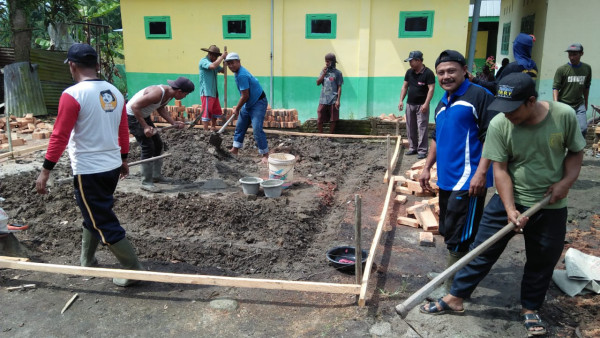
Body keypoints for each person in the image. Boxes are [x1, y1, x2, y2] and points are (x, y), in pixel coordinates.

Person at [420, 73, 585, 337]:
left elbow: (576, 151)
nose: (507, 115)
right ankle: (456, 296)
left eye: (513, 109)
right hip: (508, 197)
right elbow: (501, 171)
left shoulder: (563, 115)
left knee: (542, 259)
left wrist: (566, 182)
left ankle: (530, 308)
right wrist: (510, 209)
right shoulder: (500, 124)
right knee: (482, 250)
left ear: (531, 101)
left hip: (550, 204)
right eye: (503, 109)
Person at [35, 43, 145, 287]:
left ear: (72, 66)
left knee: (101, 219)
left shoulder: (72, 95)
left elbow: (59, 136)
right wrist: (124, 158)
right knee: (93, 213)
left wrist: (45, 171)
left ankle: (133, 268)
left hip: (90, 170)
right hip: (111, 167)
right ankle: (88, 259)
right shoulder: (115, 92)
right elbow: (123, 129)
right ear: (96, 65)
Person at [419, 50, 498, 295]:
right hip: (447, 177)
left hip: (469, 179)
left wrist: (481, 173)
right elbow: (436, 138)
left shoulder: (479, 96)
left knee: (462, 234)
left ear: (465, 70)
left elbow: (492, 137)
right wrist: (426, 167)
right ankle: (450, 273)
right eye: (441, 72)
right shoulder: (443, 101)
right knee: (449, 228)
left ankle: (452, 287)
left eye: (451, 70)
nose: (446, 76)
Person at [126, 76, 194, 193]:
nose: (185, 97)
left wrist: (173, 122)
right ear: (179, 91)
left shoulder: (169, 94)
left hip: (143, 115)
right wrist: (146, 127)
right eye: (185, 94)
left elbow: (160, 108)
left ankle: (156, 176)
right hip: (133, 116)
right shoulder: (158, 93)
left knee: (158, 144)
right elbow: (134, 106)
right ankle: (146, 182)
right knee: (148, 146)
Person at [224, 52, 269, 163]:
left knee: (257, 129)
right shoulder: (237, 72)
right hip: (248, 102)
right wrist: (241, 106)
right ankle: (235, 149)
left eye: (232, 63)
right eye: (228, 64)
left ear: (239, 62)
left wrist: (237, 108)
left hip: (258, 102)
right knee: (240, 126)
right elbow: (245, 96)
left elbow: (245, 95)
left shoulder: (242, 75)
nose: (230, 66)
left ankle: (265, 155)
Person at [398, 50, 435, 159]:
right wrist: (401, 100)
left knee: (422, 127)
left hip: (422, 105)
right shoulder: (409, 72)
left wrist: (426, 104)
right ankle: (412, 148)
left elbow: (431, 89)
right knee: (410, 126)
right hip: (410, 104)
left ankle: (422, 150)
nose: (410, 63)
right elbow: (404, 86)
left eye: (411, 61)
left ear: (418, 61)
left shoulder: (428, 73)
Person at [471, 33, 537, 92]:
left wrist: (475, 80)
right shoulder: (533, 66)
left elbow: (496, 86)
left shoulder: (513, 67)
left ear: (517, 48)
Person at [553, 43, 592, 138]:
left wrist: (586, 102)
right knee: (562, 130)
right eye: (570, 54)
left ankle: (577, 150)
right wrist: (556, 104)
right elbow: (555, 88)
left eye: (575, 54)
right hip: (564, 104)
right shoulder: (562, 69)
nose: (572, 57)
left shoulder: (587, 68)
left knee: (582, 129)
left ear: (581, 54)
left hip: (579, 104)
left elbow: (587, 86)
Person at [199, 45, 228, 132]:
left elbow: (222, 70)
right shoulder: (203, 61)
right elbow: (212, 66)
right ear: (211, 55)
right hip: (206, 92)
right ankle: (205, 130)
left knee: (215, 110)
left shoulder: (214, 62)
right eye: (216, 57)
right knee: (206, 111)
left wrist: (225, 63)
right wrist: (222, 57)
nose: (216, 58)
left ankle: (213, 126)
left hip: (214, 92)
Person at [316, 53, 343, 134]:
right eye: (326, 62)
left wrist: (338, 100)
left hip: (333, 99)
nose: (326, 63)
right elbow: (317, 83)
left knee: (333, 119)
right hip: (323, 99)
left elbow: (339, 87)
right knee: (320, 116)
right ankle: (321, 135)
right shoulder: (323, 71)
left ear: (333, 62)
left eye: (328, 61)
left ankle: (330, 136)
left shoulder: (338, 73)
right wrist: (324, 74)